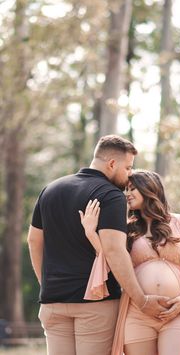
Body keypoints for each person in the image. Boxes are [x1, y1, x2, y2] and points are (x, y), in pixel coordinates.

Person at [27, 135, 168, 355]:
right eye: (128, 167)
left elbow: (34, 241)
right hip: (95, 304)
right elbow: (114, 251)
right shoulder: (111, 196)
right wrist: (141, 300)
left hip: (52, 302)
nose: (130, 174)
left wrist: (46, 284)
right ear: (112, 164)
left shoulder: (50, 189)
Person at [80, 170, 180, 355]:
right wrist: (91, 233)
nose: (127, 194)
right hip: (137, 313)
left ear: (149, 188)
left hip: (175, 313)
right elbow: (111, 259)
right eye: (126, 189)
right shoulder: (125, 227)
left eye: (132, 188)